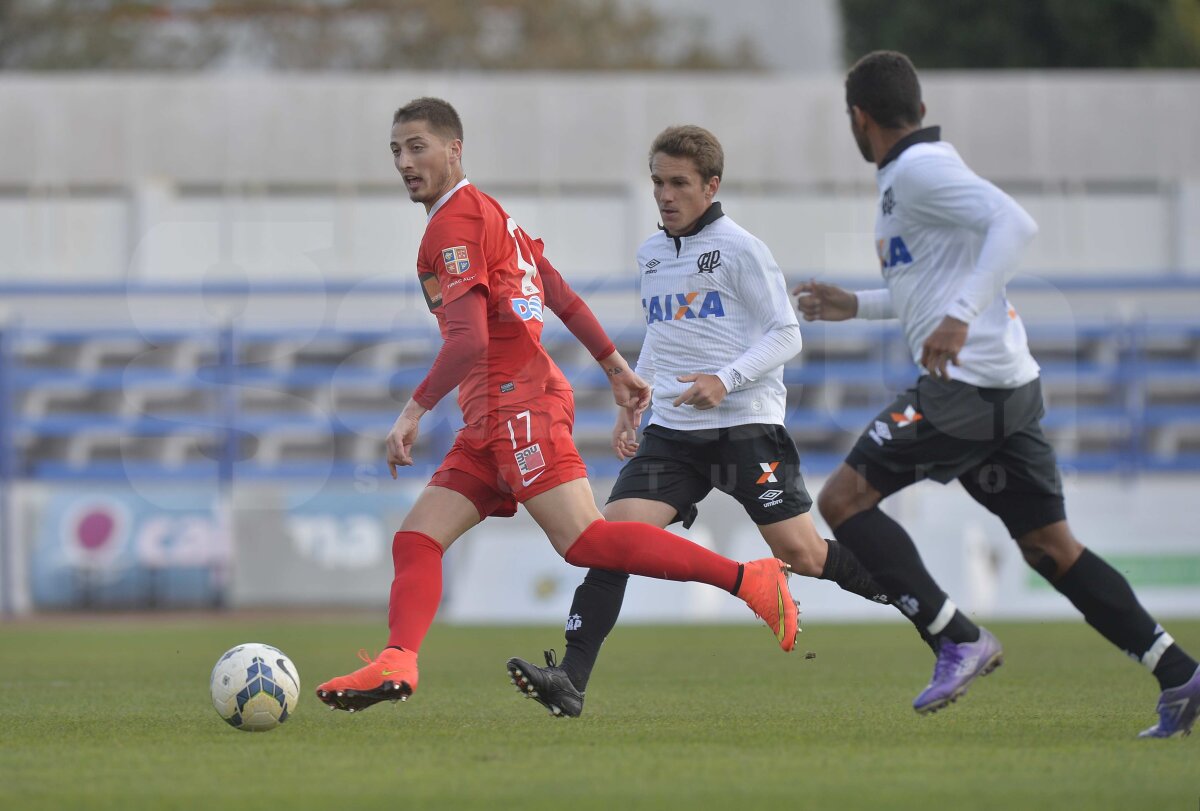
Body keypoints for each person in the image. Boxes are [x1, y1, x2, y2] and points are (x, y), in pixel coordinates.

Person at [314, 98, 801, 713]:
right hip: (489, 416)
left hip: (518, 405)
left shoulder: (454, 226)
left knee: (586, 542)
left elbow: (470, 341)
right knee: (416, 540)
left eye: (418, 147)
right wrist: (617, 367)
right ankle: (399, 662)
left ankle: (749, 580)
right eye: (396, 150)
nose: (405, 162)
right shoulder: (489, 214)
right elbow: (558, 292)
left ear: (454, 149)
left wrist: (411, 412)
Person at [793, 50, 1199, 737]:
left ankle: (955, 634)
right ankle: (1181, 673)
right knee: (1050, 546)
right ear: (916, 109)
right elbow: (931, 285)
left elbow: (1016, 225)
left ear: (858, 119)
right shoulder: (906, 177)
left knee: (842, 500)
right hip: (1008, 386)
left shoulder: (920, 169)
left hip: (966, 386)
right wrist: (856, 305)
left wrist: (957, 319)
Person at [505, 124, 895, 719]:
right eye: (658, 181)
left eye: (679, 183)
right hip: (674, 434)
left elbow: (786, 333)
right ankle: (570, 678)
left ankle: (918, 598)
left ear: (711, 186)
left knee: (807, 554)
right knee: (609, 544)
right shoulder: (652, 253)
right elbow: (664, 338)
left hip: (746, 428)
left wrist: (726, 379)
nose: (665, 194)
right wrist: (633, 400)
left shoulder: (740, 248)